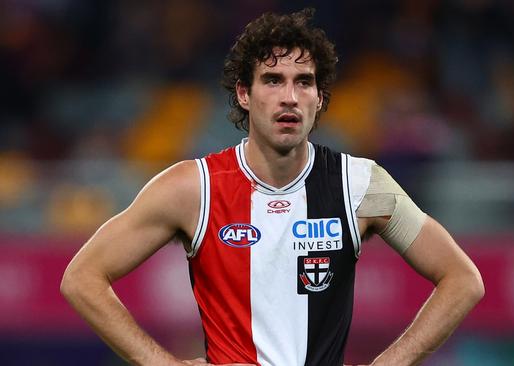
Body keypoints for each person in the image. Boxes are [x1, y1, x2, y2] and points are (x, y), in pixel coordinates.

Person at [60, 8, 484, 366]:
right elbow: (82, 278)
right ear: (244, 94)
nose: (290, 97)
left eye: (304, 81)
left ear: (319, 98)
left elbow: (463, 279)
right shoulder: (193, 188)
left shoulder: (361, 184)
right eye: (273, 80)